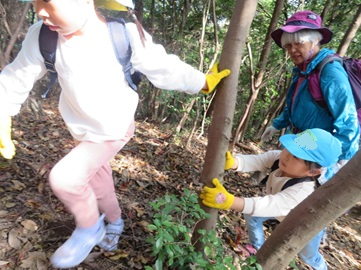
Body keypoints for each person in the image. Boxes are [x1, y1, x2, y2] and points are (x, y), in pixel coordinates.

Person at [0, 0, 230, 268]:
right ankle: (115, 220)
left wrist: (201, 82)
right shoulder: (42, 35)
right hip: (81, 129)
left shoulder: (122, 35)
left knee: (66, 178)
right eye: (36, 1)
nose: (39, 10)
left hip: (112, 130)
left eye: (49, 1)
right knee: (99, 183)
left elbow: (165, 68)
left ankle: (89, 228)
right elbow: (17, 75)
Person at [200, 128, 342, 270]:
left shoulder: (303, 190)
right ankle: (257, 249)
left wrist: (229, 201)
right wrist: (235, 162)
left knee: (307, 256)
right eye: (289, 149)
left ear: (313, 171)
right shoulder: (279, 158)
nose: (286, 156)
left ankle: (321, 267)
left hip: (306, 223)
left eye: (296, 157)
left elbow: (267, 205)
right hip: (280, 210)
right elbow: (257, 160)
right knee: (252, 215)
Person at [260, 10, 359, 183]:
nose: (292, 50)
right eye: (288, 46)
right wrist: (277, 125)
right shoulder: (302, 69)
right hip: (300, 141)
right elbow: (294, 103)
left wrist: (339, 159)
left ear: (315, 41)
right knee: (280, 185)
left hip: (316, 151)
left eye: (298, 43)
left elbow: (348, 118)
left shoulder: (330, 71)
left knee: (295, 195)